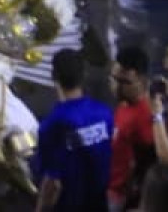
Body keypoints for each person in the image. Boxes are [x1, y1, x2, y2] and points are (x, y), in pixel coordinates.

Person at [36, 47, 114, 212]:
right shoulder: (105, 113)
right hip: (100, 205)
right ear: (84, 75)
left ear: (53, 76)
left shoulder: (52, 125)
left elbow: (52, 183)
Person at [108, 45, 157, 210]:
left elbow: (147, 164)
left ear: (142, 81)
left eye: (124, 82)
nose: (117, 86)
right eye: (114, 79)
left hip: (117, 197)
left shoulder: (145, 116)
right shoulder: (124, 104)